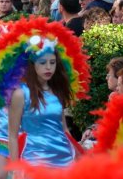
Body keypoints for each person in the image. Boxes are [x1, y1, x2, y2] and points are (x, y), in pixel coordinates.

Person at [9, 37, 75, 169]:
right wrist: (16, 170)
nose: (48, 67)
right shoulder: (21, 94)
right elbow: (12, 135)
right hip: (34, 159)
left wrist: (75, 153)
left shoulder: (57, 90)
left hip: (64, 158)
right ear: (33, 65)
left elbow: (64, 128)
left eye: (52, 62)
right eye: (43, 63)